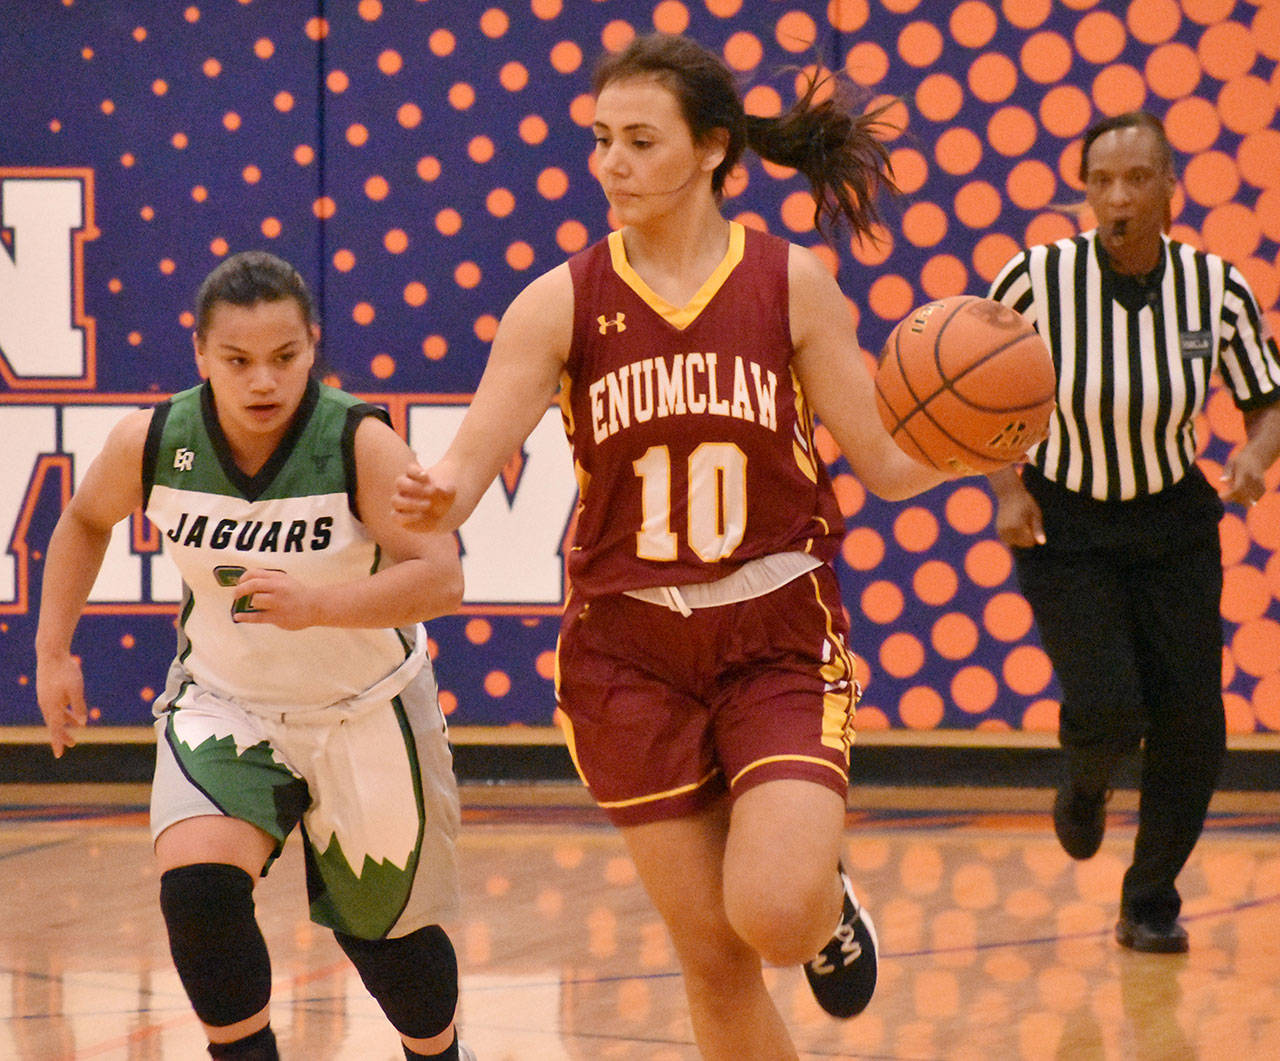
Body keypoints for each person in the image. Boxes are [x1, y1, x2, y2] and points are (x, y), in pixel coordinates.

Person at [392, 33, 957, 1059]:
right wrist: (424, 495)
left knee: (776, 915)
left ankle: (824, 901)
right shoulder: (559, 300)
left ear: (710, 150)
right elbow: (466, 465)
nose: (610, 163)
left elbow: (881, 461)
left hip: (773, 631)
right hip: (628, 655)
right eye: (601, 140)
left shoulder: (791, 285)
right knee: (714, 958)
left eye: (638, 141)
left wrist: (979, 447)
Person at [35, 251, 475, 1061]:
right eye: (238, 361)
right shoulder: (155, 438)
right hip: (225, 703)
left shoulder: (359, 440)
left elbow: (442, 577)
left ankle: (443, 1053)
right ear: (200, 353)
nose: (263, 381)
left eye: (285, 358)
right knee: (198, 891)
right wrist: (53, 648)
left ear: (313, 346)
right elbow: (84, 520)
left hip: (365, 707)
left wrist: (318, 606)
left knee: (393, 955)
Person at [986, 111, 1280, 954]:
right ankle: (1085, 785)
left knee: (1194, 719)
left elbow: (1266, 396)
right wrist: (1006, 489)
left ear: (1169, 190)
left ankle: (1149, 897)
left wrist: (1257, 453)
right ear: (1083, 192)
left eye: (1136, 179)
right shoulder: (1035, 279)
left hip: (1173, 519)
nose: (1117, 197)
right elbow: (978, 390)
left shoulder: (1214, 287)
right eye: (1099, 182)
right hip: (1066, 518)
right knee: (1111, 704)